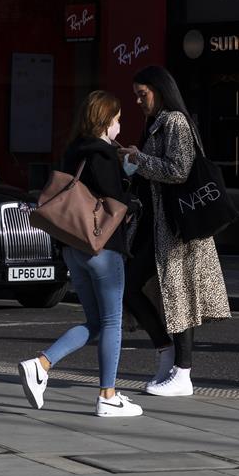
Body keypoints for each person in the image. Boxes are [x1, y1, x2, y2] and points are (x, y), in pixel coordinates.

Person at [17, 90, 142, 417]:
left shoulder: (74, 151)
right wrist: (128, 174)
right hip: (102, 249)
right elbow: (114, 201)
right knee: (112, 321)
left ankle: (41, 364)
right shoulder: (103, 155)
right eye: (117, 119)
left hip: (73, 247)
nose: (119, 125)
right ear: (105, 121)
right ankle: (107, 395)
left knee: (95, 322)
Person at [122, 65, 231, 397]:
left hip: (179, 229)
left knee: (179, 295)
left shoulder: (175, 122)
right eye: (136, 96)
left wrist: (139, 159)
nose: (139, 102)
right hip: (157, 227)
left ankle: (183, 373)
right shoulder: (156, 123)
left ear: (160, 90)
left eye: (143, 95)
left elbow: (180, 170)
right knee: (131, 286)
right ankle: (166, 353)